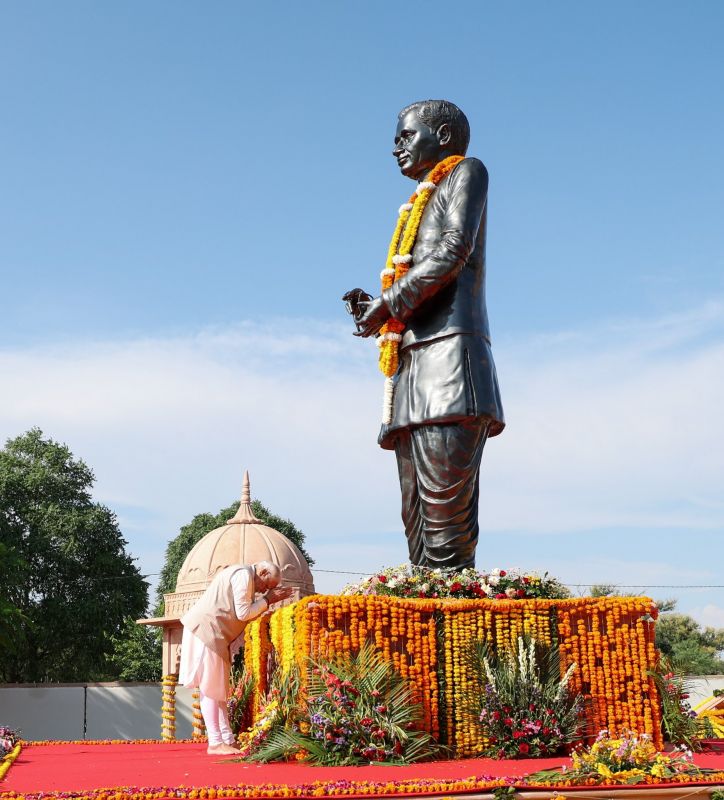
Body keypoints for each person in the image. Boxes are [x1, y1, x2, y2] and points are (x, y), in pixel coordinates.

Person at [349, 99, 505, 572]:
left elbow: (454, 250)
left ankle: (455, 638)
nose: (396, 147)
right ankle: (421, 627)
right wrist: (381, 308)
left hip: (451, 362)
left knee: (445, 524)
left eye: (405, 136)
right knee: (414, 517)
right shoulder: (419, 199)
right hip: (411, 365)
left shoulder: (466, 172)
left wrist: (388, 303)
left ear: (441, 136)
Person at [178, 561, 292, 754]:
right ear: (262, 572)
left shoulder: (243, 575)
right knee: (210, 688)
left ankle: (227, 739)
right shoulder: (243, 575)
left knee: (219, 690)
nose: (263, 590)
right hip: (207, 631)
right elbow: (243, 612)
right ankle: (215, 743)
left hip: (215, 634)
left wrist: (266, 601)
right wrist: (268, 600)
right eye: (266, 585)